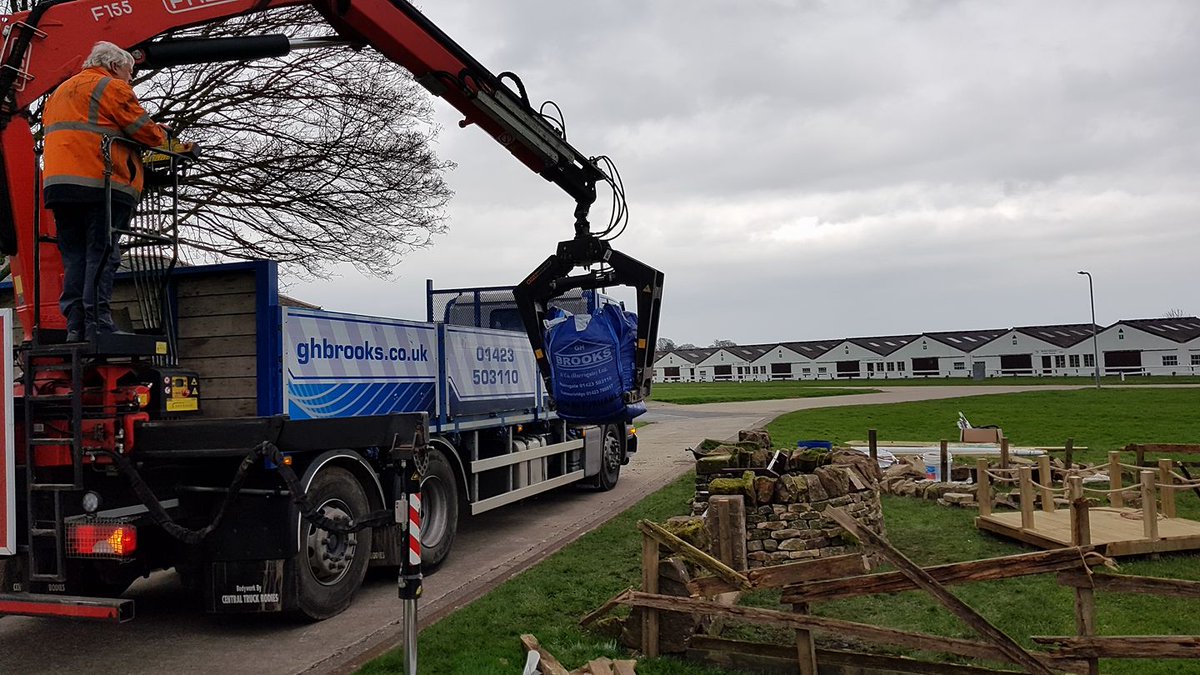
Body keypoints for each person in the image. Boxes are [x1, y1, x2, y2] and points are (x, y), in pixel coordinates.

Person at [42, 41, 168, 342]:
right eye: (129, 71)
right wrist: (168, 138)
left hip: (61, 187)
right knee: (102, 254)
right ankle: (98, 322)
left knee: (74, 256)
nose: (130, 78)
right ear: (114, 66)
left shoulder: (60, 93)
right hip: (101, 185)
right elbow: (147, 133)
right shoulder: (111, 87)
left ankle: (75, 325)